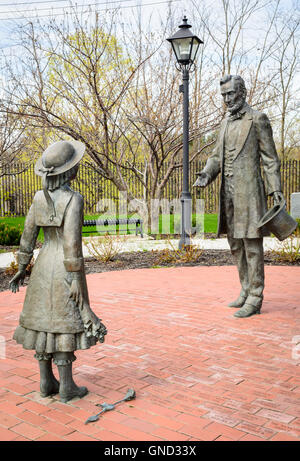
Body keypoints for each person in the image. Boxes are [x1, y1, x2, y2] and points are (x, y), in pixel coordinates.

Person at [10, 140, 107, 402]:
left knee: (44, 321)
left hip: (43, 266)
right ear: (71, 172)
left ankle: (45, 382)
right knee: (64, 323)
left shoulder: (38, 198)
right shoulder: (74, 199)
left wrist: (22, 267)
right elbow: (72, 242)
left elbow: (27, 235)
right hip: (65, 266)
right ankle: (66, 386)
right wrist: (75, 278)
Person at [193, 75, 283, 318]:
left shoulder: (257, 119)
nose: (226, 99)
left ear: (242, 92)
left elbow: (270, 158)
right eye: (223, 95)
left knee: (252, 244)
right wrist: (206, 174)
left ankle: (255, 296)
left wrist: (275, 189)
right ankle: (244, 289)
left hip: (250, 193)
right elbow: (215, 157)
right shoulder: (224, 123)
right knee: (235, 244)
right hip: (228, 194)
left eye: (230, 93)